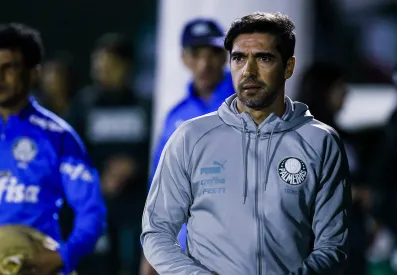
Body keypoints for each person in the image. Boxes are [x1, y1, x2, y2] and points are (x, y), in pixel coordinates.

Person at [142, 12, 351, 275]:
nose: (249, 71)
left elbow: (334, 245)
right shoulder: (190, 137)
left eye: (263, 58)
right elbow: (157, 231)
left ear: (289, 67)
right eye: (239, 58)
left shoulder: (321, 141)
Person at [0, 23, 106, 274]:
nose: (0, 77)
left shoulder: (58, 136)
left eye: (10, 68)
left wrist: (63, 256)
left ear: (34, 73)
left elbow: (92, 210)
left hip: (34, 265)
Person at [140, 18, 234, 275]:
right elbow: (159, 187)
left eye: (212, 53)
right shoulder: (175, 116)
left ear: (224, 57)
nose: (204, 64)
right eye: (195, 54)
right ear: (184, 58)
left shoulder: (248, 104)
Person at [66, 33, 151, 275]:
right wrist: (97, 176)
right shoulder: (84, 105)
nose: (101, 70)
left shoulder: (144, 105)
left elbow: (159, 152)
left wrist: (134, 166)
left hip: (135, 210)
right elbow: (68, 153)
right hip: (96, 208)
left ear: (127, 66)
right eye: (98, 64)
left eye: (109, 64)